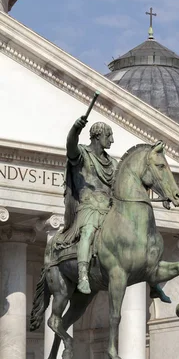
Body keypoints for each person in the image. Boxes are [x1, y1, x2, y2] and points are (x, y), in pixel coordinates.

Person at [55, 116, 119, 294]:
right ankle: (83, 275)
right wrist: (76, 129)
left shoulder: (113, 163)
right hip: (89, 206)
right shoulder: (82, 155)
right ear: (98, 136)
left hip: (109, 208)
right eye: (109, 135)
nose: (112, 140)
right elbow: (70, 145)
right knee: (89, 231)